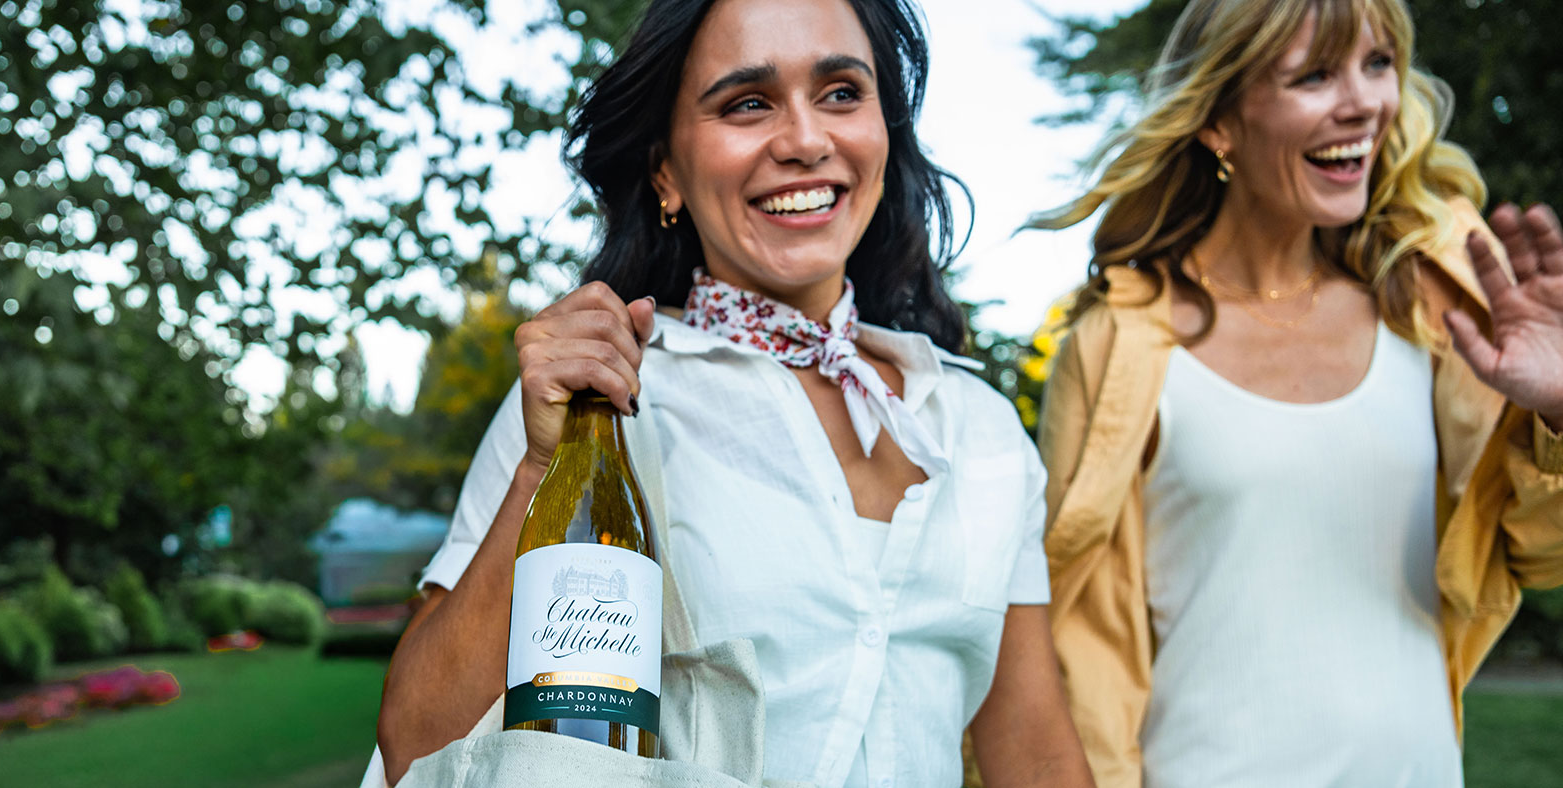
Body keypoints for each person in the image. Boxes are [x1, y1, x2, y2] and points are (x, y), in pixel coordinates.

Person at [371, 0, 1095, 785]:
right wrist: (538, 474)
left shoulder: (980, 429)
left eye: (843, 93)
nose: (806, 140)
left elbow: (1035, 751)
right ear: (665, 171)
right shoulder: (597, 400)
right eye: (748, 103)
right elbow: (416, 748)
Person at [1030, 0, 1563, 785]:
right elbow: (1073, 641)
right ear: (1218, 121)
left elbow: (1541, 557)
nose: (1363, 103)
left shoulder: (1429, 310)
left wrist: (1554, 410)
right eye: (1313, 75)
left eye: (1377, 64)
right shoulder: (1118, 344)